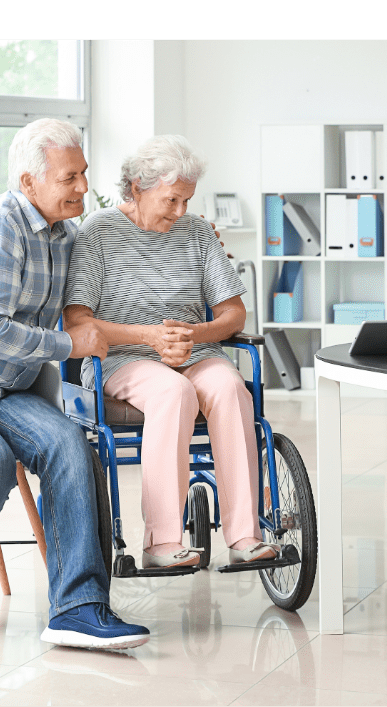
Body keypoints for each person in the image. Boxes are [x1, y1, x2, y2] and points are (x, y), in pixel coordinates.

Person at [0, 118, 150, 649]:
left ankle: (76, 608)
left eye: (83, 174)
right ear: (29, 182)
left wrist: (185, 233)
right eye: (69, 177)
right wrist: (69, 346)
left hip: (8, 390)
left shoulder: (64, 235)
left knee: (69, 447)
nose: (81, 187)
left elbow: (116, 252)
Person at [63, 134, 279, 570]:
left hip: (195, 353)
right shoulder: (99, 232)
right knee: (172, 393)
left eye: (187, 200)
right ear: (138, 188)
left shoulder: (197, 232)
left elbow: (233, 314)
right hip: (120, 357)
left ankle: (244, 536)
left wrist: (194, 334)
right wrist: (149, 337)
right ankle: (162, 543)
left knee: (230, 387)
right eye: (172, 200)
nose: (181, 212)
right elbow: (78, 321)